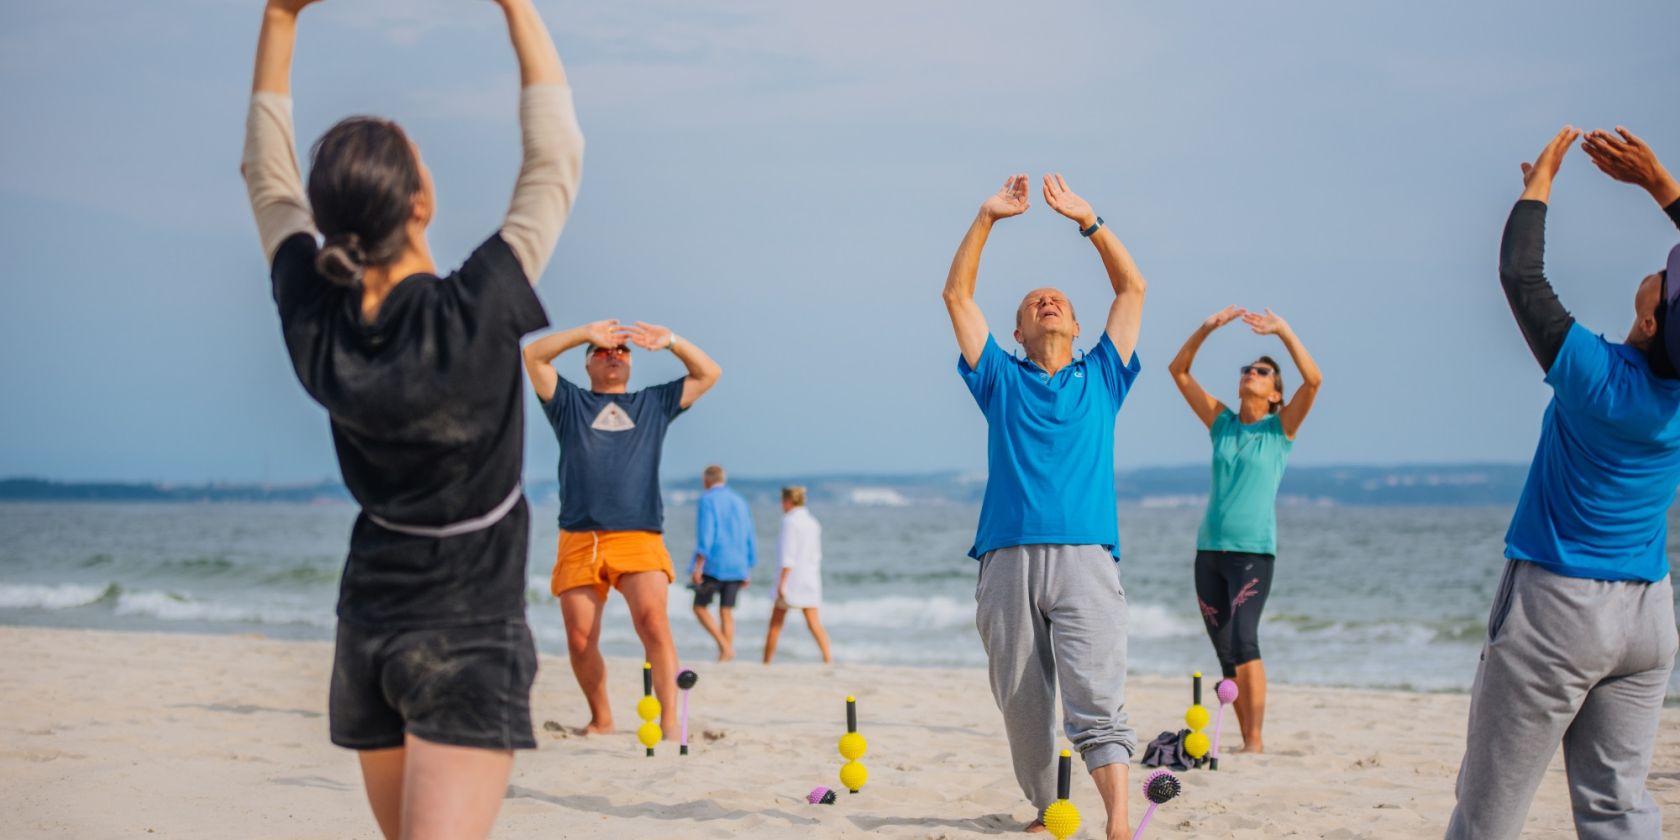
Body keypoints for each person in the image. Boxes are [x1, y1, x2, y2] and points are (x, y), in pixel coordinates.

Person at [241, 0, 582, 836]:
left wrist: (281, 15)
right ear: (419, 204)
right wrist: (516, 6)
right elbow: (557, 159)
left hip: (368, 624)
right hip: (464, 636)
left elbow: (267, 179)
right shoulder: (477, 309)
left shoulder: (317, 321)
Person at [1444, 126, 1680, 840]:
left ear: (1648, 318)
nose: (1660, 271)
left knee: (1488, 814)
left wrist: (1538, 186)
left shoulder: (1599, 380)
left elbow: (1522, 279)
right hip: (1648, 618)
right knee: (1617, 810)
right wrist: (1660, 185)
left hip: (1559, 613)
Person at [943, 174, 1145, 838]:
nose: (1047, 301)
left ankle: (1118, 822)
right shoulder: (999, 377)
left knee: (1096, 697)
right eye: (1034, 302)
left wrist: (1089, 221)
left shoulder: (1104, 375)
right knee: (1024, 705)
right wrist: (986, 218)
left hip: (1087, 555)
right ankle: (1043, 808)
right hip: (1006, 558)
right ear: (1019, 330)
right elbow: (957, 294)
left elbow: (1132, 289)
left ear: (1079, 325)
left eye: (1057, 299)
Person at [522, 319, 721, 736]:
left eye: (621, 351)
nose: (613, 355)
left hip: (639, 535)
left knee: (653, 623)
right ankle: (602, 718)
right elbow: (534, 356)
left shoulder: (652, 404)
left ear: (632, 364)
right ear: (588, 364)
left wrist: (669, 341)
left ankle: (669, 724)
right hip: (580, 537)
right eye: (602, 351)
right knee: (579, 640)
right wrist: (585, 334)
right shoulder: (568, 403)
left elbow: (708, 373)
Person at [1165, 306, 1322, 754]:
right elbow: (1179, 371)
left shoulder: (1280, 430)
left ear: (1275, 394)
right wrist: (1207, 327)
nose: (1251, 373)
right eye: (1247, 369)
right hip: (1208, 553)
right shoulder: (1222, 424)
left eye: (1262, 371)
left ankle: (1254, 741)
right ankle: (1242, 737)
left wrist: (1284, 332)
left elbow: (1314, 382)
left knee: (1243, 638)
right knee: (1224, 650)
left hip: (1253, 552)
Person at [688, 465, 756, 661]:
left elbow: (706, 534)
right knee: (726, 611)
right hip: (738, 563)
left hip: (715, 563)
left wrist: (698, 565)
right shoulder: (740, 501)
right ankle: (725, 654)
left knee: (699, 607)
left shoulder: (707, 500)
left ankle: (725, 647)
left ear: (707, 480)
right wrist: (748, 566)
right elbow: (749, 534)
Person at [762, 485, 833, 665]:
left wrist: (781, 583)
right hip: (810, 577)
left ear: (787, 501)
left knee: (776, 624)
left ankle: (766, 662)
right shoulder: (813, 522)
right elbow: (816, 554)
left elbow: (788, 555)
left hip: (792, 580)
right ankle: (828, 658)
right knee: (814, 623)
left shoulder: (789, 521)